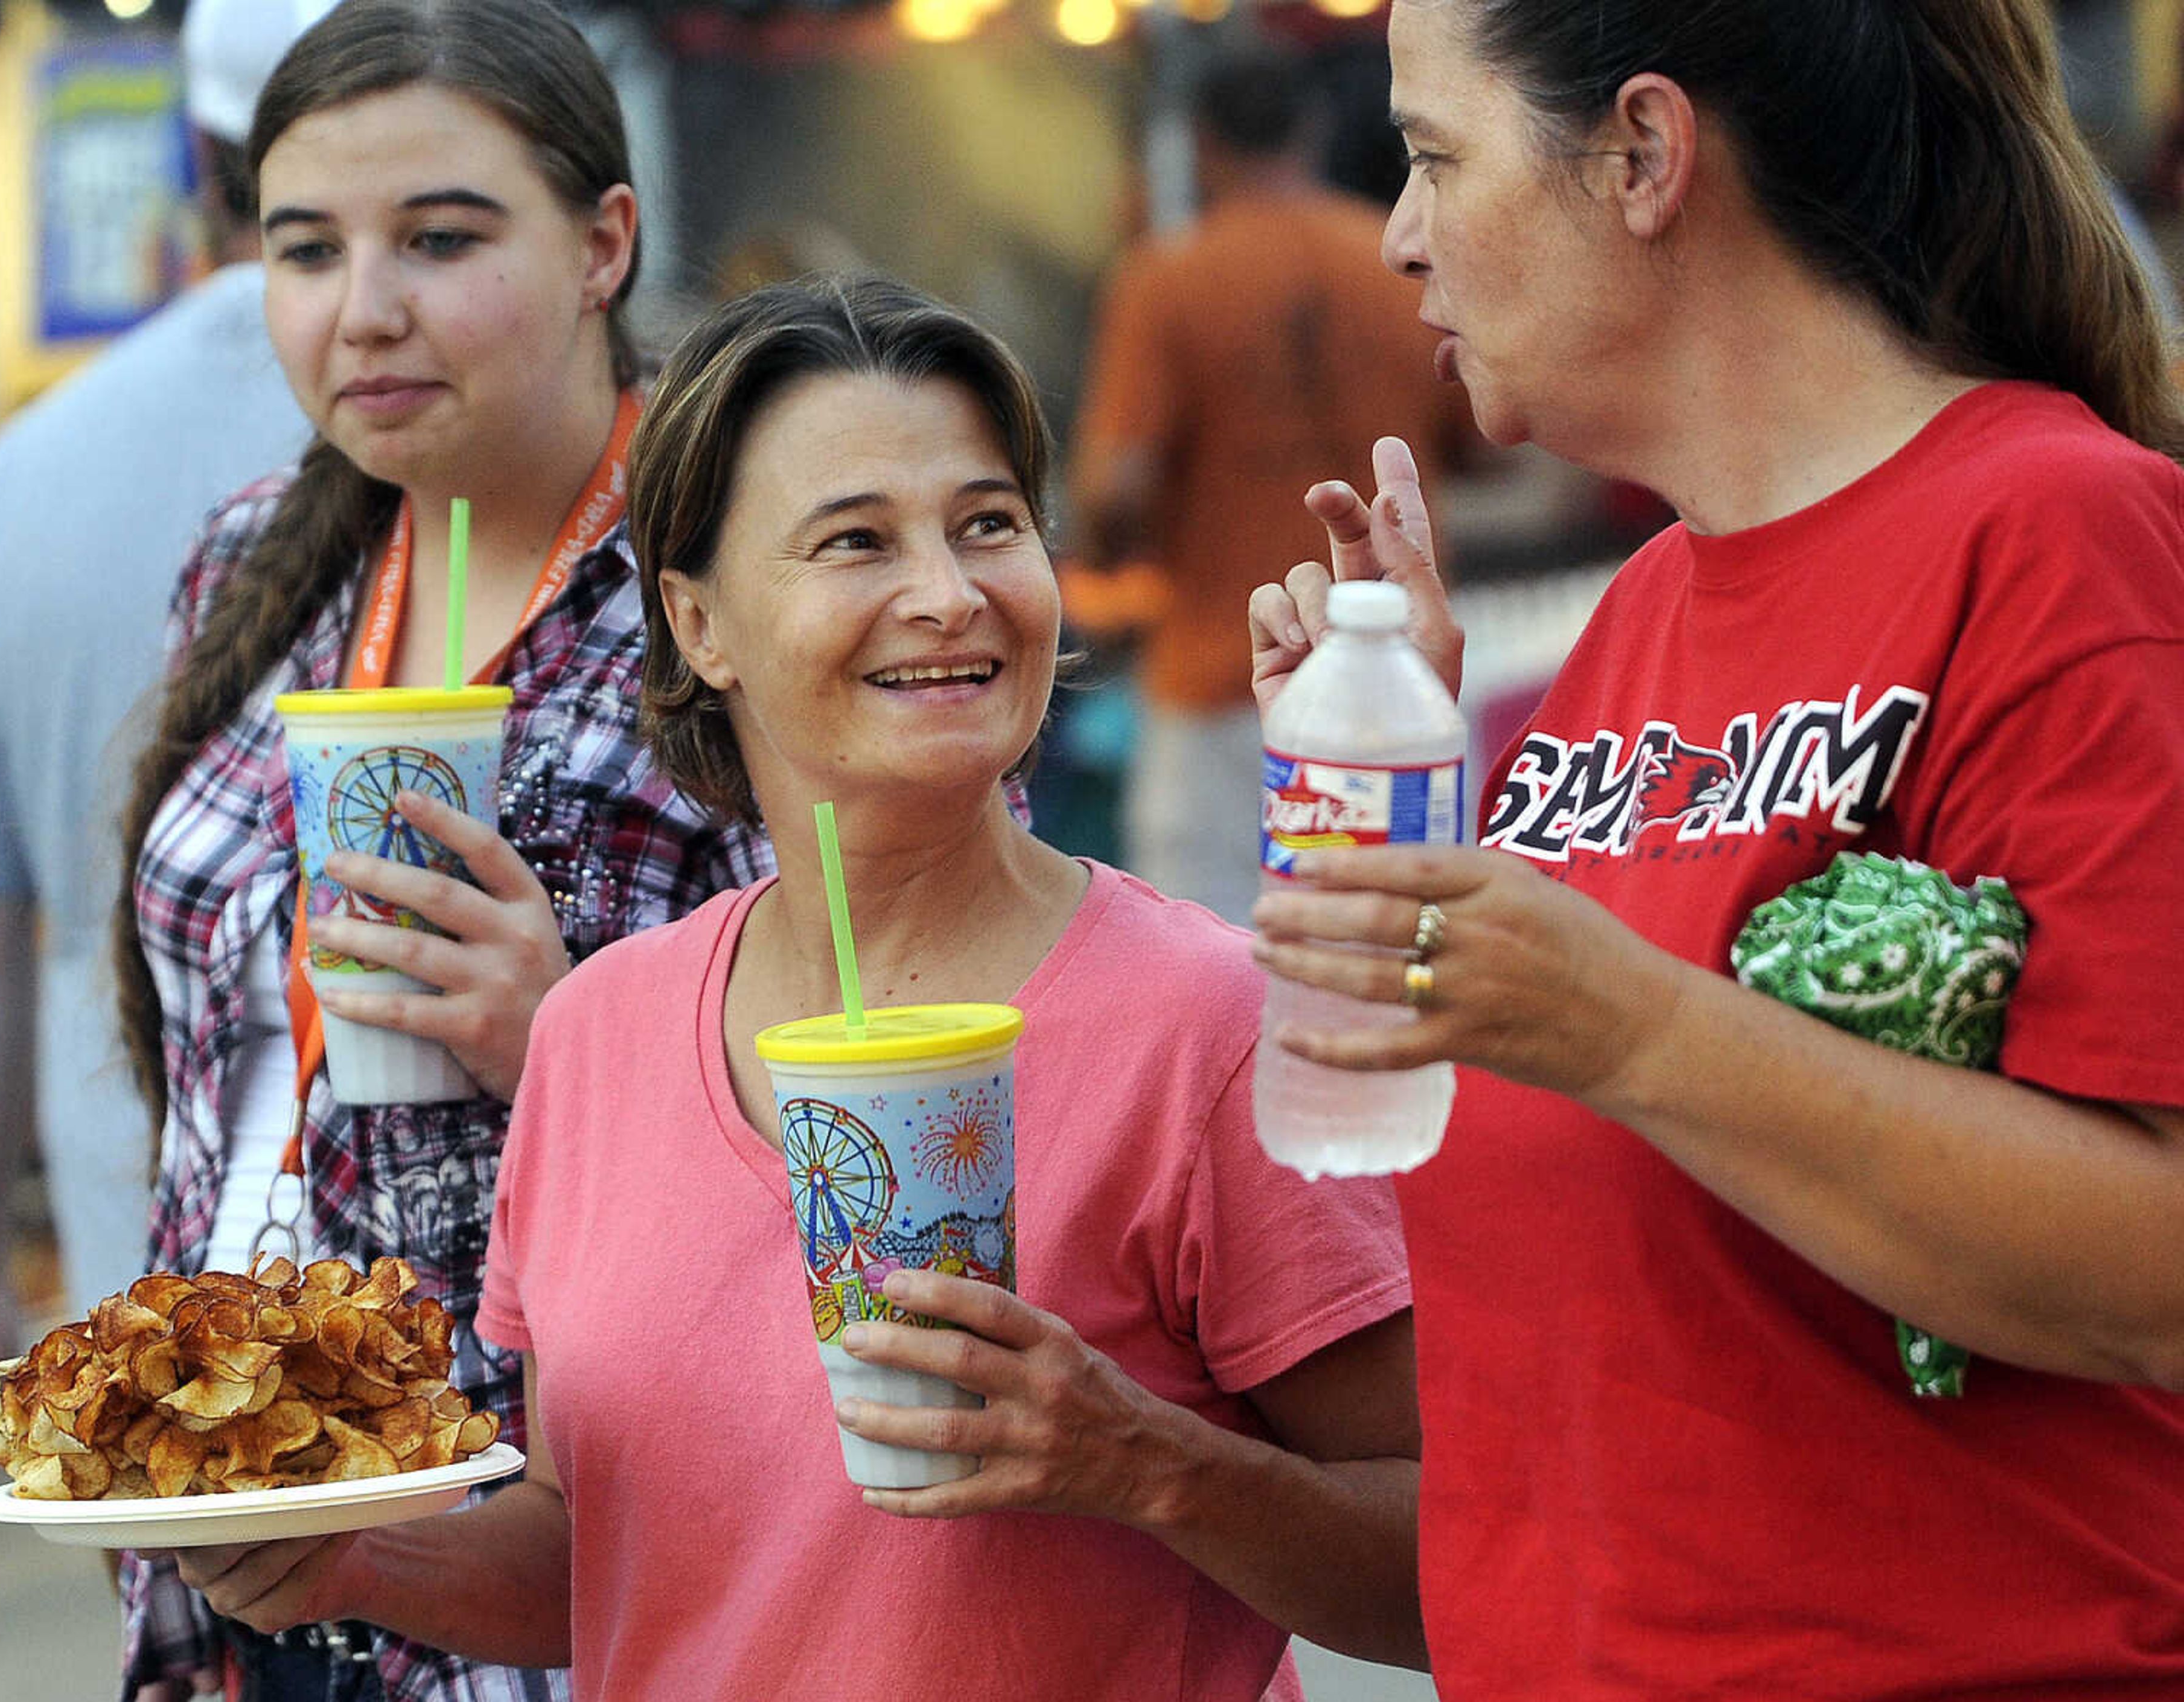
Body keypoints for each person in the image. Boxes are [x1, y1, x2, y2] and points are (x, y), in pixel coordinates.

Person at [165, 275, 1425, 1698]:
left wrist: (1145, 1463)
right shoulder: (593, 1035)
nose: (949, 595)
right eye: (855, 542)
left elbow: (1447, 1567)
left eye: (989, 524)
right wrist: (343, 1563)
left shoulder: (1205, 1024)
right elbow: (610, 1555)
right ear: (700, 625)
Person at [1247, 1, 2184, 1695]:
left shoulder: (2057, 534)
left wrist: (1629, 1025)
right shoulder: (1652, 610)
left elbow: (2159, 1269)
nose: (1396, 234)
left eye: (1433, 155)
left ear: (1646, 156)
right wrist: (1410, 789)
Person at [109, 2, 768, 1697]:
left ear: (603, 241)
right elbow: (212, 1074)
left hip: (574, 1561)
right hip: (242, 1518)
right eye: (306, 249)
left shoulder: (734, 586)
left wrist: (577, 1039)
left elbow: (914, 1064)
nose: (365, 309)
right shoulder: (261, 559)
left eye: (443, 237)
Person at [0, 0, 334, 1449]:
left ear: (191, 161)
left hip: (136, 1261)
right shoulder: (492, 428)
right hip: (475, 1268)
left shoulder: (16, 481)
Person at [1070, 42, 1466, 925]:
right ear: (1314, 130)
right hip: (1397, 682)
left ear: (1203, 146)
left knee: (1211, 968)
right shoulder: (1396, 265)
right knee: (1389, 955)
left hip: (1219, 677)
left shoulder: (1167, 280)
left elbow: (1115, 492)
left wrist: (1106, 558)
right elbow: (1484, 447)